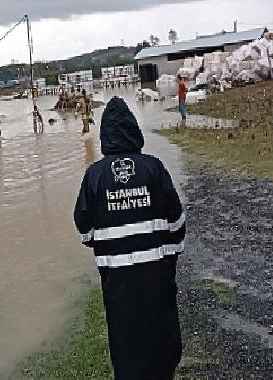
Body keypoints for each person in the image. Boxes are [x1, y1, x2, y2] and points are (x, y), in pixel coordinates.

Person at [74, 97, 186, 380]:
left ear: (105, 135)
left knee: (125, 337)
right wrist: (169, 256)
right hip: (157, 274)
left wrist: (104, 247)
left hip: (117, 278)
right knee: (161, 334)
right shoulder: (153, 167)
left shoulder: (94, 175)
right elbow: (176, 218)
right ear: (134, 129)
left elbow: (83, 224)